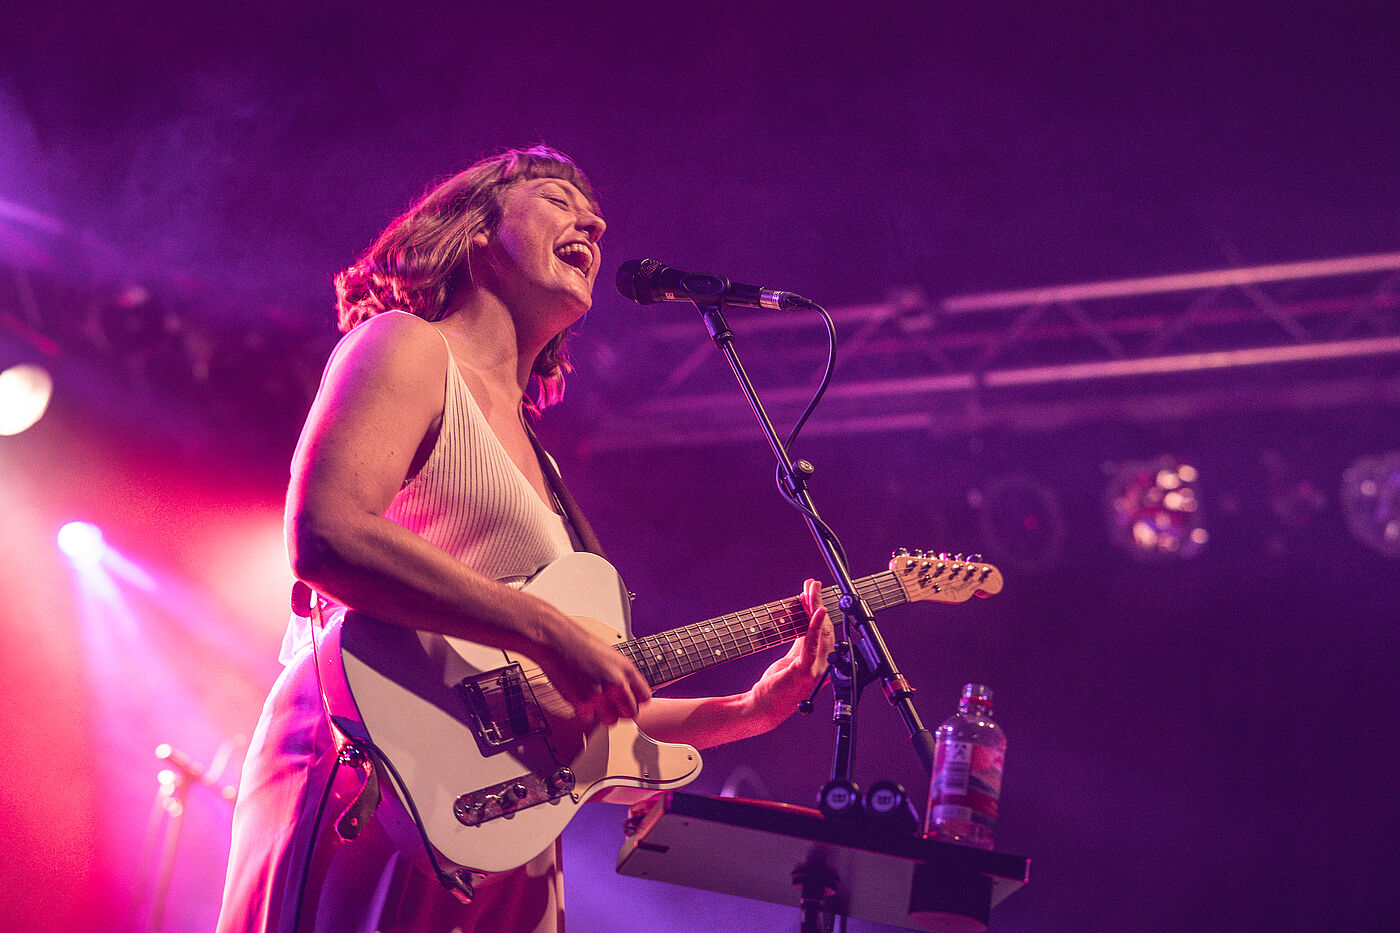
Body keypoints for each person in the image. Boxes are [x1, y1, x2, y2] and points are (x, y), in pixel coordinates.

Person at [215, 145, 834, 933]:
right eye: (557, 197)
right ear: (475, 231)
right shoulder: (406, 346)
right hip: (368, 766)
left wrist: (746, 708)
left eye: (595, 214)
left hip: (497, 825)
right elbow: (325, 532)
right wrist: (547, 631)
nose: (595, 221)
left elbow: (551, 717)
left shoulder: (541, 462)